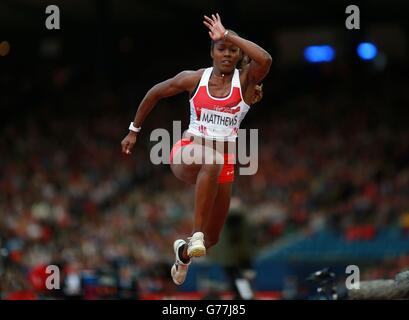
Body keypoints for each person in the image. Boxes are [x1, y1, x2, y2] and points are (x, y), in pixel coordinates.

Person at [121, 13, 272, 285]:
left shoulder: (246, 82)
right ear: (212, 53)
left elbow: (266, 60)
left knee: (213, 239)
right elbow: (155, 92)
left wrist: (227, 35)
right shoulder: (195, 79)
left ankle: (183, 253)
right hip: (188, 150)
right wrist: (134, 130)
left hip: (222, 164)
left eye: (232, 50)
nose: (226, 54)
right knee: (211, 161)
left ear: (239, 54)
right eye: (221, 49)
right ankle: (196, 233)